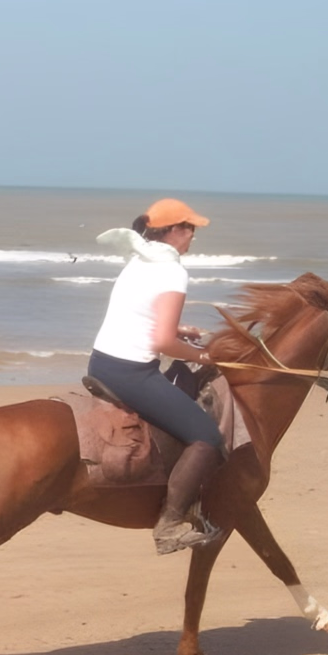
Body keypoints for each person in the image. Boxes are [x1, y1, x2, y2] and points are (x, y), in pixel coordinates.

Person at [87, 196, 226, 554]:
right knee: (206, 436)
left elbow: (140, 313)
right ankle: (170, 524)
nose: (193, 235)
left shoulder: (140, 257)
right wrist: (203, 353)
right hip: (130, 372)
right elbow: (162, 343)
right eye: (190, 228)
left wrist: (180, 329)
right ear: (175, 231)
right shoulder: (173, 270)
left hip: (102, 361)